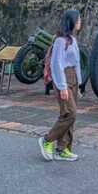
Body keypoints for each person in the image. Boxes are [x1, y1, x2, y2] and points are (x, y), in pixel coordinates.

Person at [38, 9, 82, 162]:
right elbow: (57, 64)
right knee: (70, 113)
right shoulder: (60, 41)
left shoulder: (73, 40)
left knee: (68, 114)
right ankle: (47, 140)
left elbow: (76, 62)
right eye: (78, 20)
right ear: (71, 22)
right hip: (63, 77)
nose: (80, 22)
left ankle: (62, 149)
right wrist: (62, 86)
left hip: (73, 78)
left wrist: (79, 82)